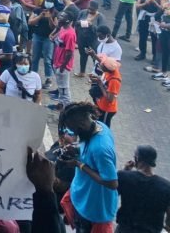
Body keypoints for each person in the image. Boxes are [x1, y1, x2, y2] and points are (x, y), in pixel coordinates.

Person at [60, 101, 119, 233]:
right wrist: (75, 150)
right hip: (82, 198)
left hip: (92, 209)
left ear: (81, 124)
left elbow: (112, 183)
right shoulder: (98, 126)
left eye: (73, 130)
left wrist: (79, 165)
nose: (73, 133)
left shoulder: (101, 149)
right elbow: (87, 149)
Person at [116, 145, 170, 233]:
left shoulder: (124, 176)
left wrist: (125, 170)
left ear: (136, 159)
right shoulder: (166, 186)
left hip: (125, 229)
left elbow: (112, 194)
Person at [49, 11, 76, 111]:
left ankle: (67, 110)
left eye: (62, 18)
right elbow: (54, 38)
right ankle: (60, 106)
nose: (59, 18)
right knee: (60, 87)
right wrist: (55, 32)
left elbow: (69, 53)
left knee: (64, 89)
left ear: (68, 20)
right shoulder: (62, 29)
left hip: (63, 65)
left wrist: (62, 67)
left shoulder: (70, 34)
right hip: (57, 62)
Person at [90, 54, 121, 128]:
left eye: (102, 65)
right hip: (101, 105)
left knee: (103, 128)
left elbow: (110, 99)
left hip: (107, 109)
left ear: (106, 69)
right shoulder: (110, 70)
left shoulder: (114, 80)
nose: (100, 65)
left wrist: (100, 83)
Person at [76, 1, 105, 76]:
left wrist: (91, 25)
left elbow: (101, 29)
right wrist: (80, 22)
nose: (90, 11)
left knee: (95, 57)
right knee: (82, 55)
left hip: (93, 40)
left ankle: (95, 74)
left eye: (92, 9)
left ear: (96, 9)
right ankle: (82, 72)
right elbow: (76, 22)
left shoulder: (100, 17)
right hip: (82, 38)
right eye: (89, 8)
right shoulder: (83, 12)